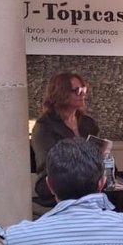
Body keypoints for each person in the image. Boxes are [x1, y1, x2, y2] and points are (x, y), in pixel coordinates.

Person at [31, 71, 99, 204]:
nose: (82, 94)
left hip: (87, 177)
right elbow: (48, 163)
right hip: (55, 179)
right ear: (61, 93)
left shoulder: (87, 123)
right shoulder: (44, 126)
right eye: (77, 90)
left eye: (83, 89)